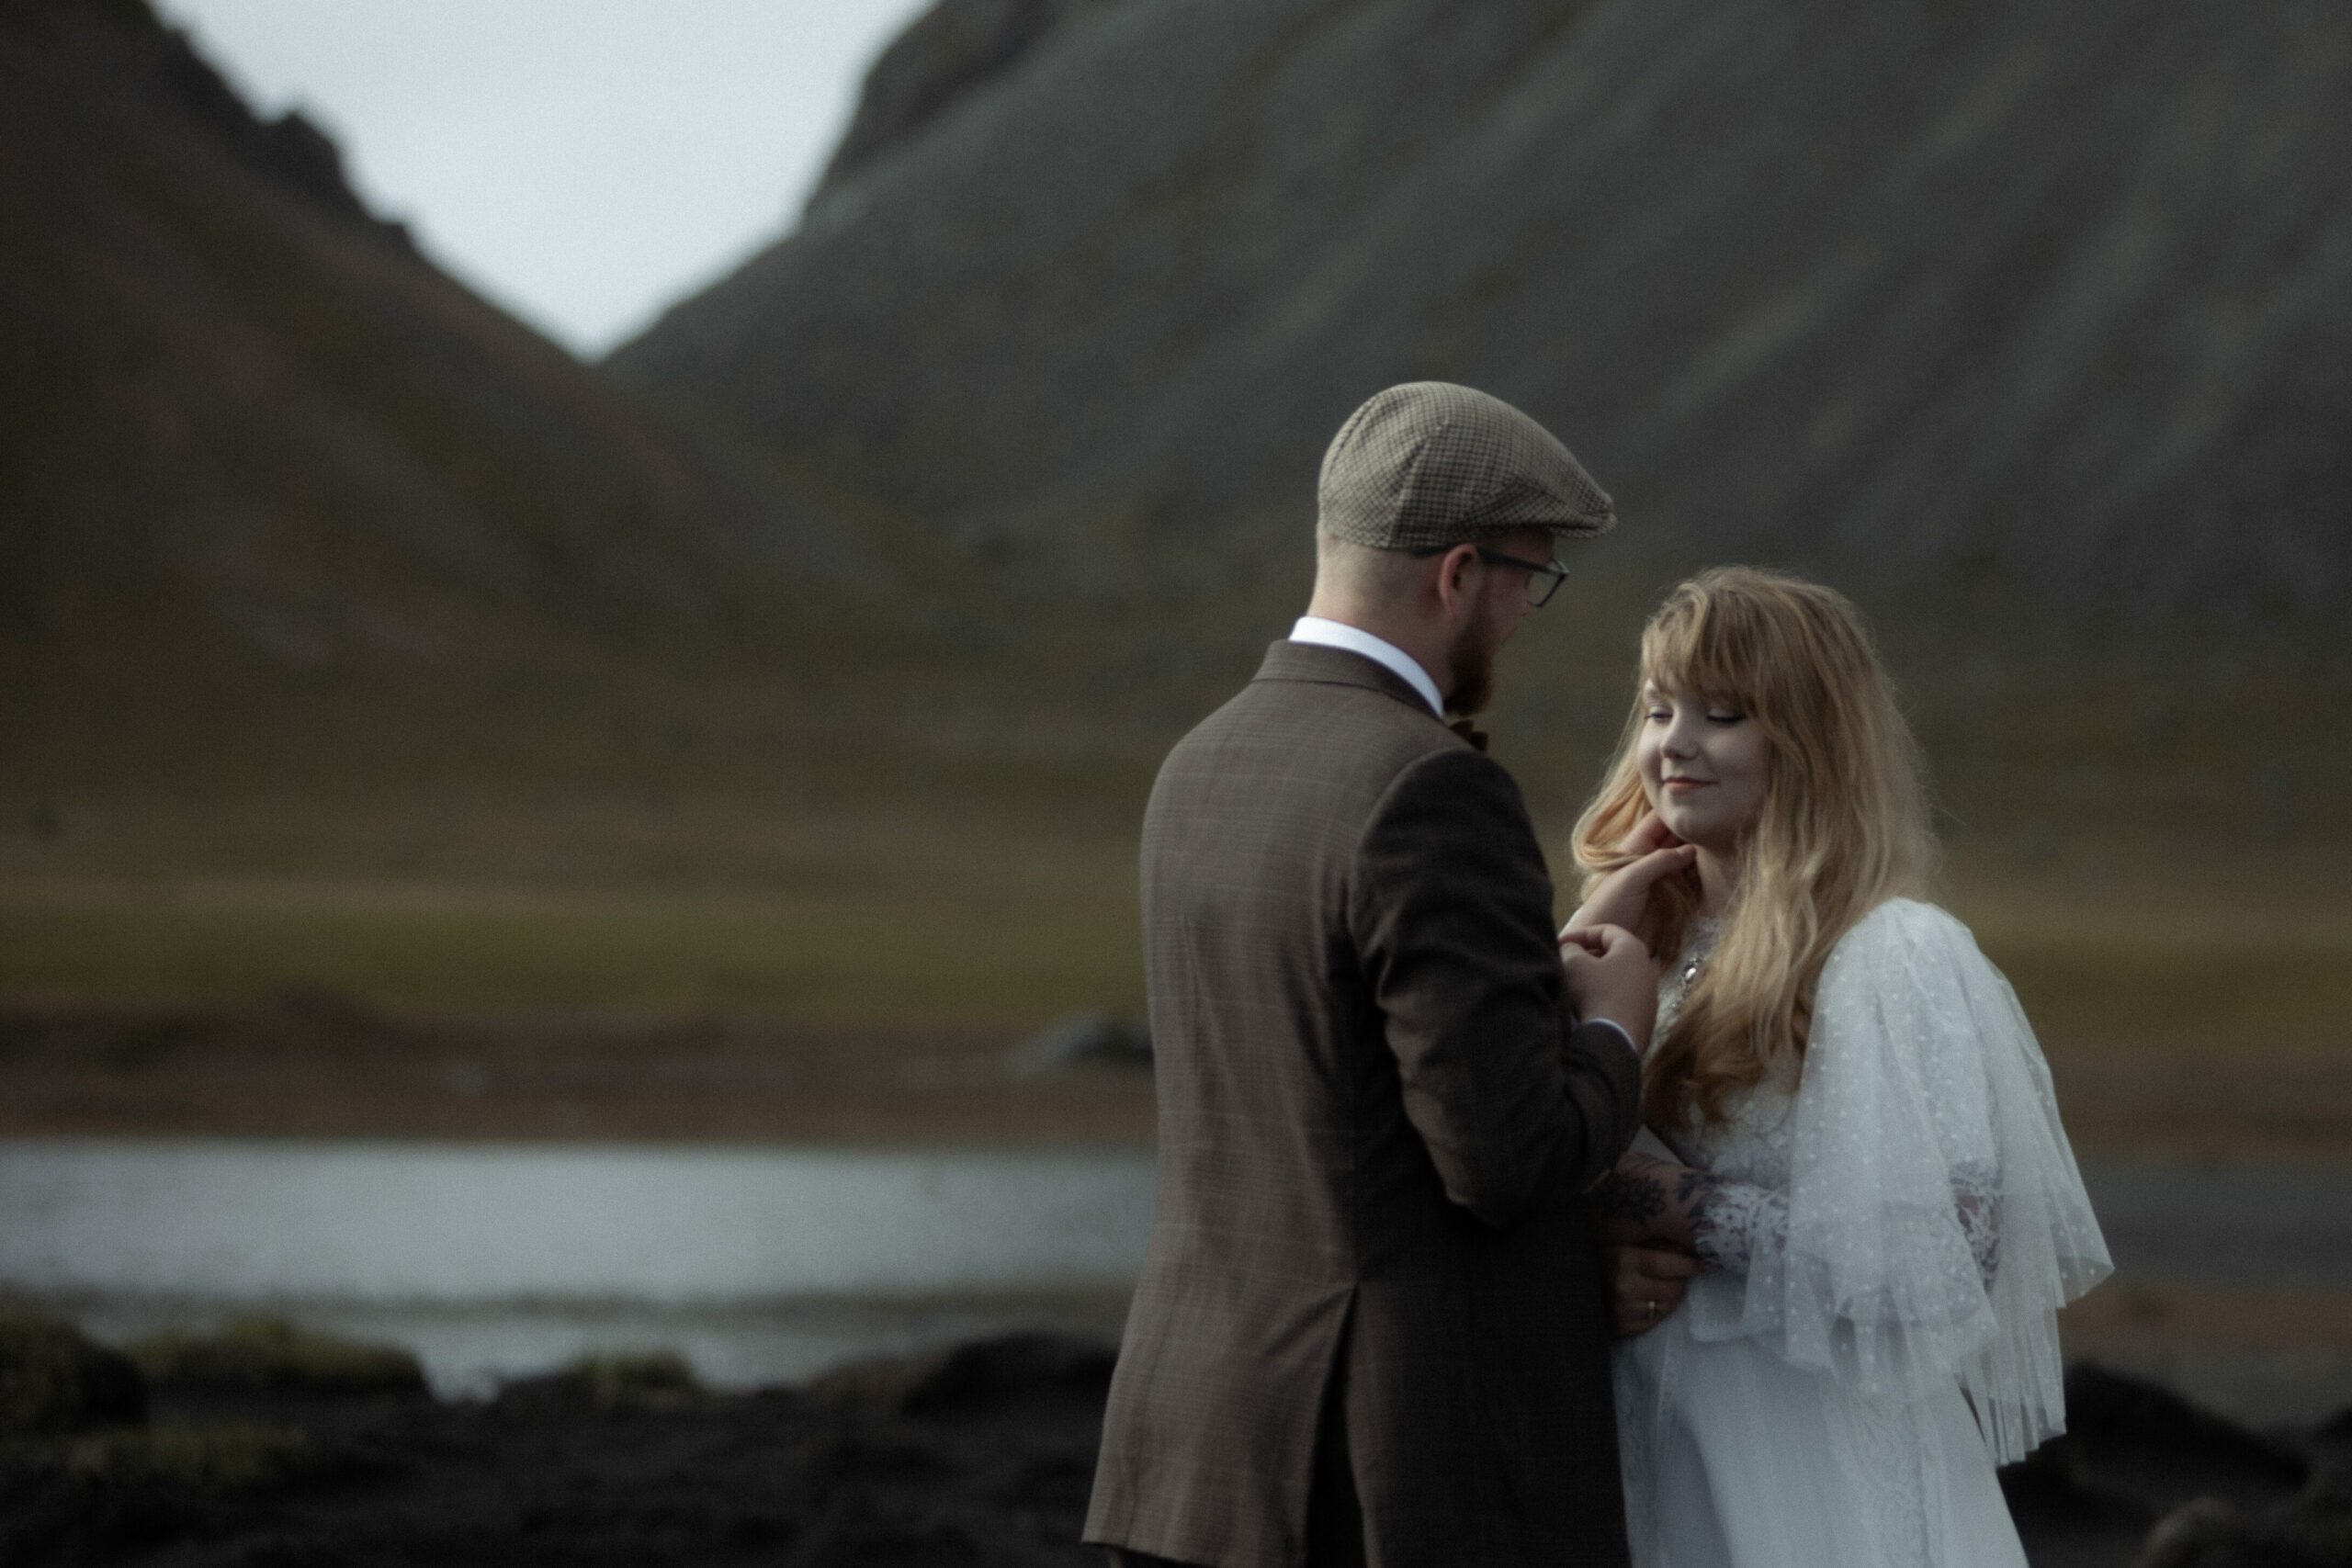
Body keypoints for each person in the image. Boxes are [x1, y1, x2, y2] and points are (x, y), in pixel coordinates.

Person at [1084, 382, 1657, 1568]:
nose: (1522, 616)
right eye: (1528, 579)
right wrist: (1612, 1032)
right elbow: (1502, 1160)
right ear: (1457, 572)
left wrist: (1524, 983)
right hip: (1382, 1477)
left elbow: (1323, 1057)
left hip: (1190, 1451)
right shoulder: (1431, 786)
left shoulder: (1196, 765)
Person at [1570, 567, 2112, 1568]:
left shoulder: (1893, 955)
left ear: (1809, 744)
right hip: (1654, 1435)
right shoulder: (1637, 949)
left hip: (1813, 1462)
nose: (1672, 745)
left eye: (1722, 714)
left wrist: (1660, 1200)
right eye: (1656, 710)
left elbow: (1952, 1260)